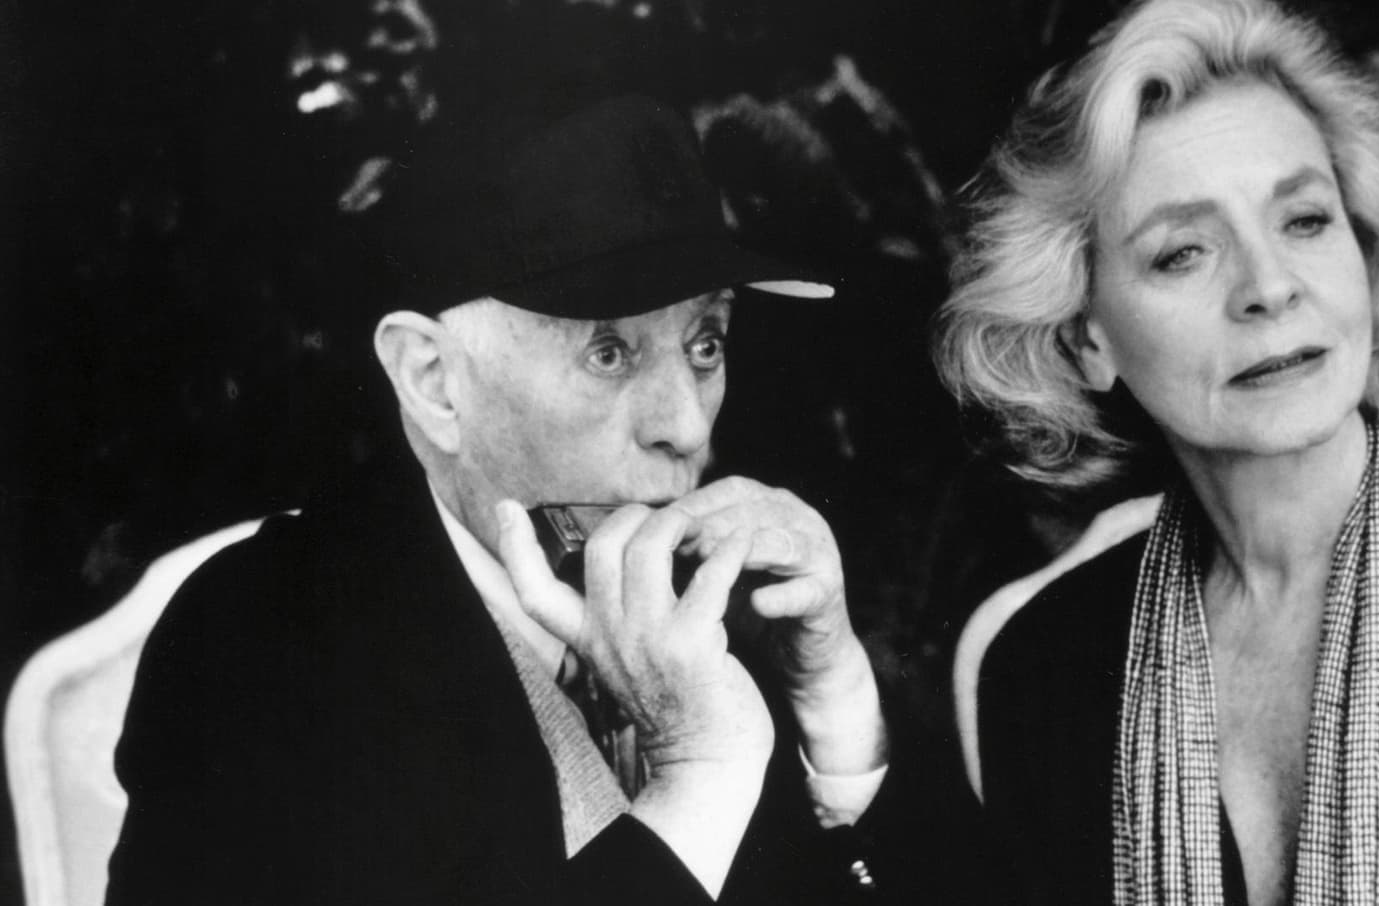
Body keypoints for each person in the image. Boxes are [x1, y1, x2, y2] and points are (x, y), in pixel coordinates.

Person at [107, 94, 948, 905]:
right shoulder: (260, 647)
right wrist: (700, 776)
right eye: (609, 353)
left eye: (704, 342)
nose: (687, 426)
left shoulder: (727, 618)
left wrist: (835, 706)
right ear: (434, 382)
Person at [932, 1, 1379, 904]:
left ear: (1363, 246)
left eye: (1304, 220)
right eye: (1183, 253)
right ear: (1085, 338)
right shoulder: (1041, 671)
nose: (1269, 287)